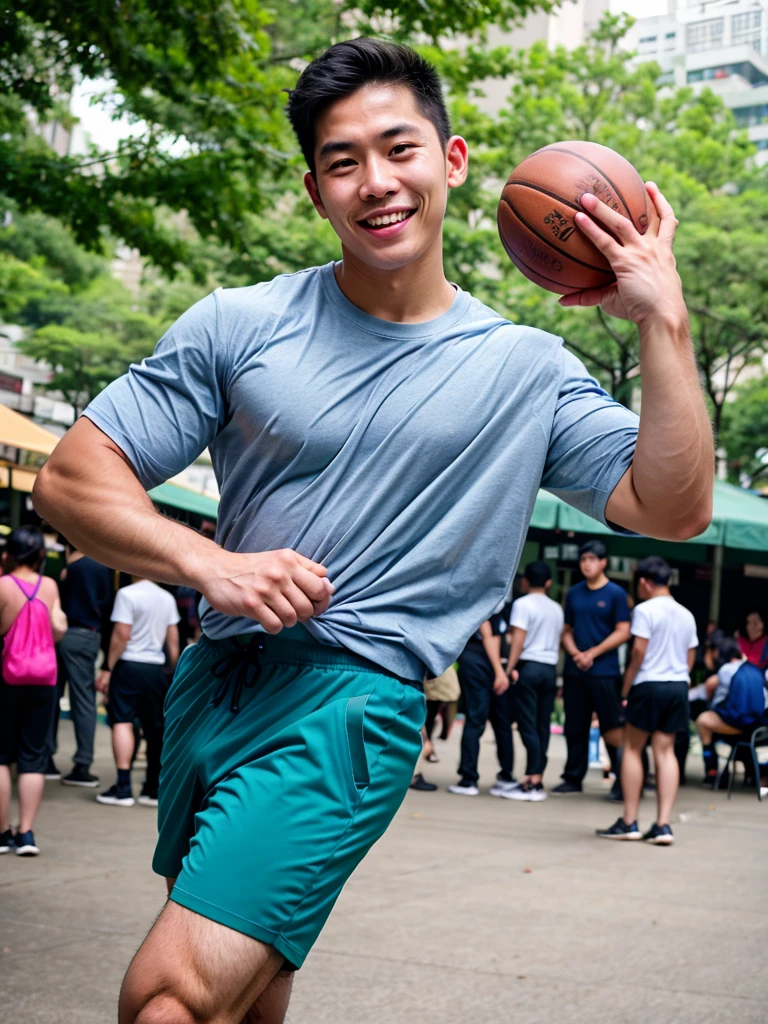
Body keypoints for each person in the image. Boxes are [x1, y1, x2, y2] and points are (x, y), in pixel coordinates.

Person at [33, 38, 713, 1024]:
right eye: (343, 162)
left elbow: (674, 504)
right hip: (211, 684)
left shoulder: (527, 369)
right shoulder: (239, 324)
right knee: (251, 992)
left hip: (349, 708)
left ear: (455, 160)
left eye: (399, 149)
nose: (376, 182)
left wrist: (664, 321)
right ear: (316, 191)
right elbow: (70, 477)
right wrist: (208, 563)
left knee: (169, 996)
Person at [597, 556, 698, 845]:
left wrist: (626, 688)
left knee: (632, 748)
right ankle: (663, 825)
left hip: (648, 684)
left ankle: (629, 821)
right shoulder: (686, 614)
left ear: (644, 582)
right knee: (665, 752)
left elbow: (638, 652)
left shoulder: (644, 610)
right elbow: (690, 655)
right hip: (678, 686)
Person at [0, 527, 67, 857]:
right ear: (41, 555)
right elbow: (56, 629)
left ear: (7, 553)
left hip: (6, 677)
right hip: (43, 679)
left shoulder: (3, 587)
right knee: (32, 758)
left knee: (1, 757)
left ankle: (2, 833)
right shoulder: (51, 587)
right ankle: (26, 834)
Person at [554, 540, 631, 799]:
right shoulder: (574, 593)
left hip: (605, 672)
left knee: (612, 727)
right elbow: (566, 630)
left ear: (603, 562)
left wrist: (593, 654)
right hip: (576, 670)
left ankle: (622, 781)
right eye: (583, 559)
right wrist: (576, 653)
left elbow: (624, 631)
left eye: (592, 559)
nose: (586, 563)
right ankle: (573, 777)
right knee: (575, 725)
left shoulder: (616, 594)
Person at [95, 577, 180, 807]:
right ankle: (152, 788)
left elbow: (121, 634)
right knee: (155, 725)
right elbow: (173, 641)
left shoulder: (127, 594)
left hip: (129, 664)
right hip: (156, 668)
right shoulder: (167, 598)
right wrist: (173, 671)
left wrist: (107, 667)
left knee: (121, 720)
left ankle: (123, 788)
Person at [51, 539, 114, 787]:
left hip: (66, 634)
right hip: (91, 635)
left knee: (53, 696)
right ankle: (82, 763)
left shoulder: (70, 571)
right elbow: (107, 608)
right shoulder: (102, 567)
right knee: (84, 701)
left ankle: (45, 757)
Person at [502, 561, 564, 802]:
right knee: (542, 725)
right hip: (549, 668)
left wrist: (509, 668)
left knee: (527, 724)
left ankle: (533, 778)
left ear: (525, 581)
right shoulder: (557, 608)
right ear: (548, 583)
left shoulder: (522, 604)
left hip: (528, 666)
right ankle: (536, 774)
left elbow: (518, 639)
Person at [448, 617, 515, 797]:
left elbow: (488, 635)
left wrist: (500, 672)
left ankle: (468, 779)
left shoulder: (482, 599)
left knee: (476, 721)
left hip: (480, 664)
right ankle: (506, 776)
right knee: (502, 723)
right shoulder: (501, 601)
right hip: (493, 664)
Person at [695, 637, 768, 787]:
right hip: (759, 725)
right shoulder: (755, 668)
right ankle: (751, 771)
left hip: (738, 723)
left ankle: (712, 770)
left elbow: (710, 686)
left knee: (703, 721)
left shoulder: (727, 669)